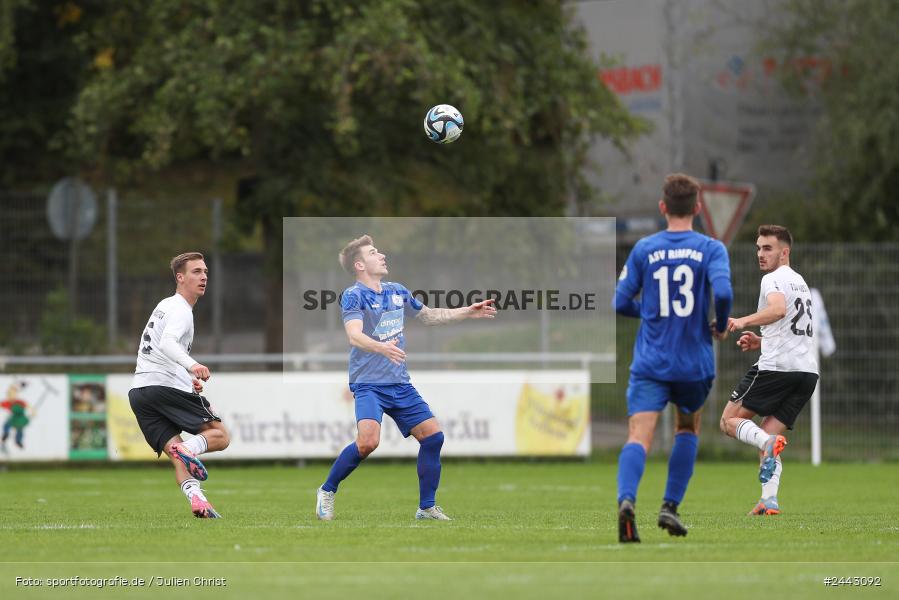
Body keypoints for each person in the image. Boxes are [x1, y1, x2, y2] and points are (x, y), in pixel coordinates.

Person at [316, 235, 496, 521]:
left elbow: (428, 316)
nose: (382, 255)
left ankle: (426, 508)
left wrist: (466, 311)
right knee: (368, 443)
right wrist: (381, 347)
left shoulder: (396, 291)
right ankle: (327, 490)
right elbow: (354, 335)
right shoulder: (354, 295)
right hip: (369, 384)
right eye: (374, 252)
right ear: (360, 264)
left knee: (433, 437)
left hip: (399, 383)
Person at [613, 173, 733, 542]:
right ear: (697, 208)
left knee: (639, 435)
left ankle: (627, 501)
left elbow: (619, 302)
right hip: (693, 363)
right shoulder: (711, 248)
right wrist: (721, 323)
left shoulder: (645, 249)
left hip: (651, 361)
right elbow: (724, 291)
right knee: (686, 428)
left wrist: (650, 313)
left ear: (663, 207)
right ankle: (670, 506)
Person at [720, 225, 818, 516]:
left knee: (729, 422)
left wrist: (743, 321)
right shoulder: (800, 282)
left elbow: (777, 310)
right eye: (758, 248)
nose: (760, 254)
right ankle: (769, 501)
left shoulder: (773, 279)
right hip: (806, 373)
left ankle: (770, 444)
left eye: (768, 248)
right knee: (765, 433)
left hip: (777, 369)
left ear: (784, 252)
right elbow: (793, 328)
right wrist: (761, 340)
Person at [128, 252, 230, 518]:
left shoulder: (166, 305)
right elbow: (167, 344)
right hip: (164, 385)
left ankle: (198, 500)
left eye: (205, 271)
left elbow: (157, 352)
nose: (204, 276)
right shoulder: (181, 310)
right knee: (219, 436)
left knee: (177, 454)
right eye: (196, 271)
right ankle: (188, 450)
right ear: (180, 277)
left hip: (140, 391)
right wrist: (192, 366)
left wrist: (188, 379)